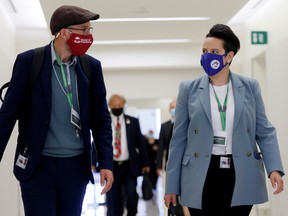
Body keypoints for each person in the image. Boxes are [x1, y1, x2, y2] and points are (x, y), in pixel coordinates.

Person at [0, 5, 114, 216]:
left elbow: (101, 120)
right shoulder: (30, 62)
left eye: (91, 30)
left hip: (76, 167)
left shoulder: (91, 67)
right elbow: (7, 115)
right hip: (38, 166)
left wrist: (106, 162)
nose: (89, 36)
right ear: (64, 32)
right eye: (84, 30)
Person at [164, 24, 284, 216]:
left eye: (214, 51)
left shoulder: (250, 87)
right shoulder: (188, 88)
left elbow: (264, 130)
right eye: (204, 51)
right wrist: (171, 185)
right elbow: (178, 139)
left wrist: (274, 168)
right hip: (201, 172)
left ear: (229, 56)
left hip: (240, 170)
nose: (207, 56)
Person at [106, 94, 150, 216]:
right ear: (109, 105)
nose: (117, 108)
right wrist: (93, 162)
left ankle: (132, 213)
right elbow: (97, 143)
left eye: (120, 105)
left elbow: (141, 144)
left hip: (129, 166)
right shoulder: (105, 121)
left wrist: (146, 163)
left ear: (124, 105)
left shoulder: (133, 122)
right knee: (113, 198)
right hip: (112, 167)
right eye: (114, 106)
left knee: (131, 194)